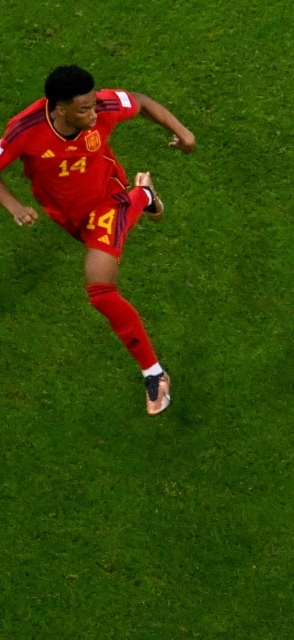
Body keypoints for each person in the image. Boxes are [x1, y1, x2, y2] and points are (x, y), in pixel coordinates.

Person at [0, 65, 196, 414]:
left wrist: (183, 133)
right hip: (67, 214)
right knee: (100, 253)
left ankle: (155, 374)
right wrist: (14, 206)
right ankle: (144, 196)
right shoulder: (24, 130)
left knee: (100, 289)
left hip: (108, 200)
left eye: (93, 105)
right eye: (84, 109)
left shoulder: (102, 107)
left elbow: (140, 100)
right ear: (60, 109)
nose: (94, 114)